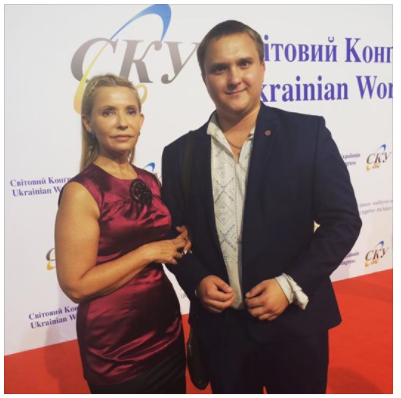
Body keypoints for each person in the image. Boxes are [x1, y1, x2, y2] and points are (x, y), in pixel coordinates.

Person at [161, 20, 362, 394]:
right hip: (223, 334)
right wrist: (196, 280)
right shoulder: (179, 154)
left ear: (263, 67)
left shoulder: (308, 134)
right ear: (204, 78)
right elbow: (172, 236)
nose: (234, 78)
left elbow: (343, 222)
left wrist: (289, 285)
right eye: (219, 68)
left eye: (244, 63)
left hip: (296, 325)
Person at [55, 74, 190, 394]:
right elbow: (76, 286)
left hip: (167, 333)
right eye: (108, 112)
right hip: (117, 350)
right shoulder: (82, 191)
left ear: (141, 120)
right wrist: (148, 252)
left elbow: (167, 243)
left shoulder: (150, 181)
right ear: (88, 123)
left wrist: (185, 238)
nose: (121, 122)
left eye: (130, 111)